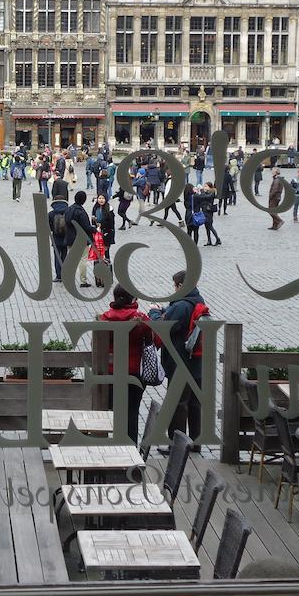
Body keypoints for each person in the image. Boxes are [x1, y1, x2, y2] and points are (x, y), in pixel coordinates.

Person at [149, 270, 207, 450]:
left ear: (180, 286)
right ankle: (196, 442)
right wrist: (165, 310)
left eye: (174, 285)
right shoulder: (197, 299)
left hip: (180, 360)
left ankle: (177, 446)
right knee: (194, 403)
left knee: (178, 403)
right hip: (196, 361)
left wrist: (154, 313)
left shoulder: (181, 305)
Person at [100, 284, 152, 445]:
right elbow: (157, 341)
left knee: (108, 412)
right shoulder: (141, 319)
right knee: (131, 413)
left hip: (110, 374)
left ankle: (109, 449)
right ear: (134, 299)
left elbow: (96, 345)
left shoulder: (104, 319)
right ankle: (130, 450)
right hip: (133, 374)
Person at [64, 190, 94, 288]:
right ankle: (83, 281)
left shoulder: (69, 209)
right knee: (83, 259)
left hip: (70, 239)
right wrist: (95, 230)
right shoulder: (80, 211)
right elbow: (86, 227)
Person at [91, 193, 116, 286]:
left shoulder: (109, 209)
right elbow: (92, 221)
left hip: (106, 234)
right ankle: (99, 276)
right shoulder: (95, 208)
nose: (101, 200)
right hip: (97, 235)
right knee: (97, 255)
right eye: (99, 198)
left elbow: (111, 223)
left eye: (103, 198)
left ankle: (107, 275)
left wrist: (101, 225)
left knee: (106, 254)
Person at [48, 187, 70, 282]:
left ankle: (58, 275)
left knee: (57, 257)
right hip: (66, 237)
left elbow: (48, 227)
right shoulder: (68, 212)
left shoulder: (51, 214)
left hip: (56, 238)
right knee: (64, 256)